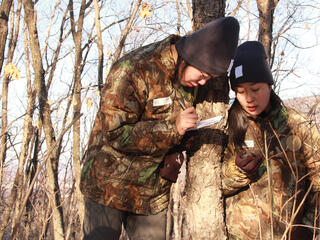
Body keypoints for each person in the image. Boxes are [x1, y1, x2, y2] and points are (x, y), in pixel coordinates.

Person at [80, 16, 240, 240]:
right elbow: (115, 133)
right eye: (203, 75)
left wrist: (186, 138)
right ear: (190, 55)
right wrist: (172, 129)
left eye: (209, 78)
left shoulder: (189, 77)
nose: (203, 83)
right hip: (108, 188)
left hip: (152, 194)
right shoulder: (134, 69)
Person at [221, 41, 320, 240]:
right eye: (240, 92)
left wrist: (308, 227)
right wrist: (237, 171)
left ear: (269, 85)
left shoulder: (297, 126)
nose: (248, 98)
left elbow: (318, 179)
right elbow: (208, 185)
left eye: (255, 89)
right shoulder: (227, 128)